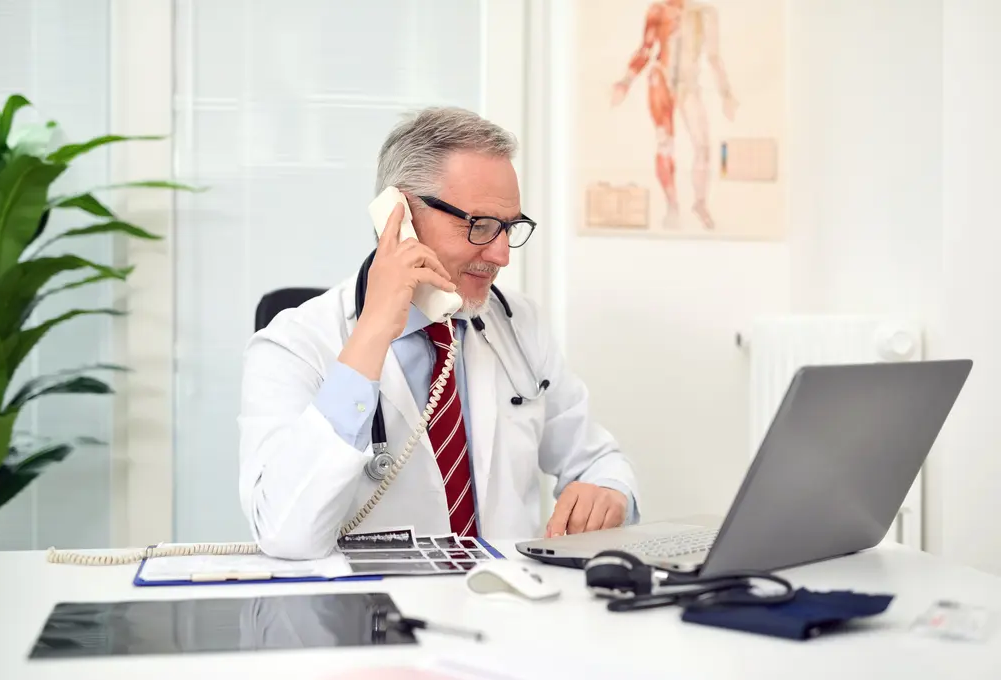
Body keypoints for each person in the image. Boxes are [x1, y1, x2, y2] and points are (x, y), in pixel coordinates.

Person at [238, 107, 640, 559]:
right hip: (370, 616)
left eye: (509, 227)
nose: (502, 254)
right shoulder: (294, 344)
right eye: (481, 225)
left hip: (510, 607)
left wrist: (608, 491)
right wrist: (372, 335)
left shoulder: (519, 325)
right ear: (399, 215)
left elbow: (597, 460)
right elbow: (284, 533)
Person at [611, 0, 737, 230]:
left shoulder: (706, 14)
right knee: (665, 145)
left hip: (689, 85)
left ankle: (700, 202)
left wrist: (726, 94)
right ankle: (672, 204)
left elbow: (714, 57)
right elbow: (646, 49)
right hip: (661, 80)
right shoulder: (658, 11)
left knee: (703, 146)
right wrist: (625, 82)